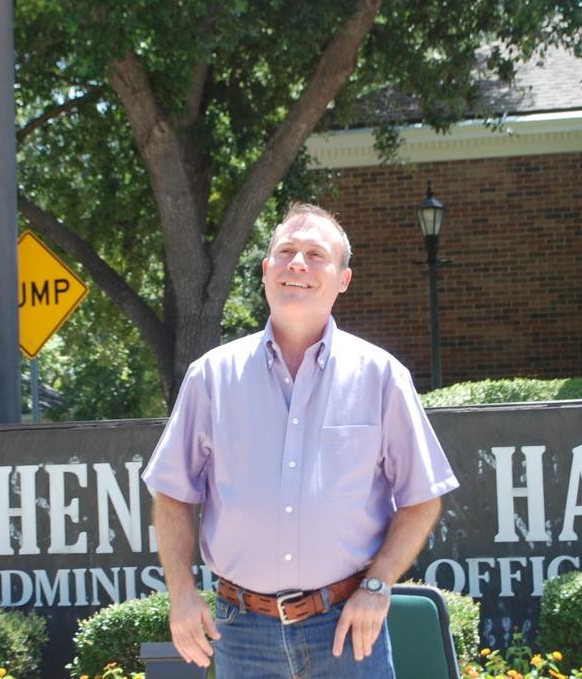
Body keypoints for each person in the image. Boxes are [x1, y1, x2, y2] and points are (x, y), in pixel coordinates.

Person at [142, 203, 459, 678]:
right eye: (286, 252)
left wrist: (377, 587)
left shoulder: (380, 376)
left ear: (343, 279)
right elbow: (171, 493)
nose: (298, 264)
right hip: (242, 632)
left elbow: (422, 497)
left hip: (346, 631)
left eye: (316, 254)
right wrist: (182, 595)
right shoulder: (211, 377)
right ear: (267, 270)